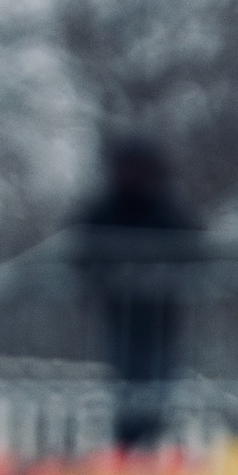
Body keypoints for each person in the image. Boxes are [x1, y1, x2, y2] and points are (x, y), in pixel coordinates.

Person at [70, 135, 200, 450]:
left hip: (160, 317)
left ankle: (153, 444)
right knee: (125, 385)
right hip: (120, 316)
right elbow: (81, 251)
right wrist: (106, 277)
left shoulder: (166, 209)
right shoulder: (105, 209)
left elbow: (193, 250)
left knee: (157, 385)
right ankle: (127, 448)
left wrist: (157, 273)